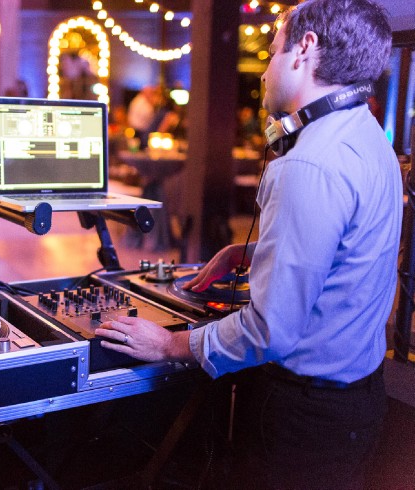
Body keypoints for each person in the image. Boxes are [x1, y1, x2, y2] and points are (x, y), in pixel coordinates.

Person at [96, 1, 400, 488]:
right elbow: (349, 255)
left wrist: (170, 344)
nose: (264, 69)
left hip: (303, 417)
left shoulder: (308, 165)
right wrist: (256, 253)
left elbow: (268, 331)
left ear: (305, 49)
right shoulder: (368, 138)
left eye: (272, 51)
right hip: (356, 404)